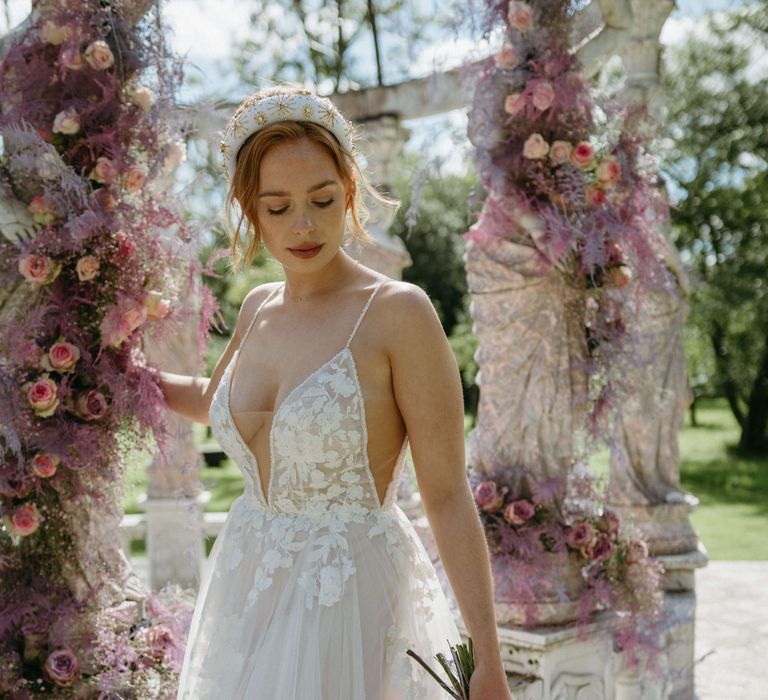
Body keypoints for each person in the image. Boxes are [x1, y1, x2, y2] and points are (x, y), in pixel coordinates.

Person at [160, 85, 511, 699]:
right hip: (246, 587)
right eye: (277, 207)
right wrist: (126, 379)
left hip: (346, 598)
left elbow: (449, 494)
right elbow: (220, 405)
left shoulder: (399, 313)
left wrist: (486, 661)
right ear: (249, 208)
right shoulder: (258, 306)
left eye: (322, 200)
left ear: (349, 192)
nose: (303, 224)